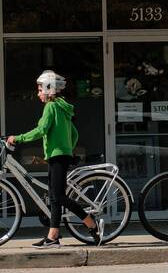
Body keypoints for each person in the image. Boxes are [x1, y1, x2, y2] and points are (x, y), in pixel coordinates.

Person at [6, 71, 101, 248]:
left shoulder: (51, 107)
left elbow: (41, 130)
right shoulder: (62, 107)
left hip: (57, 156)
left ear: (49, 89)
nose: (38, 93)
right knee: (55, 198)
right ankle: (53, 236)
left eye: (40, 89)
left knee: (59, 197)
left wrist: (18, 138)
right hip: (60, 155)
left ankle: (90, 222)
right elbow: (74, 133)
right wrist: (68, 149)